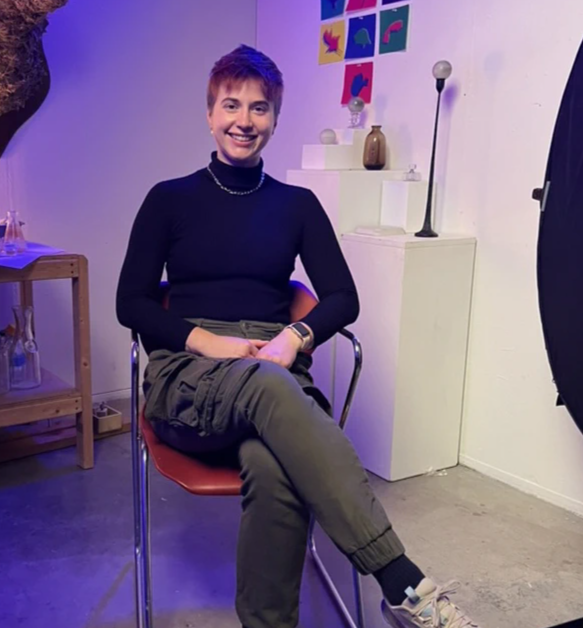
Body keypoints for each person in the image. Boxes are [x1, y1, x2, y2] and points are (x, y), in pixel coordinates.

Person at [116, 45, 480, 628]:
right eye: (231, 105)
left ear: (276, 119)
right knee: (270, 389)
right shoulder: (168, 199)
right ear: (210, 114)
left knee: (272, 462)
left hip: (272, 371)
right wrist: (214, 344)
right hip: (189, 378)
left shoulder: (297, 205)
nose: (244, 120)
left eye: (259, 108)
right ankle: (402, 581)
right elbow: (129, 302)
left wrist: (295, 337)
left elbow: (343, 297)